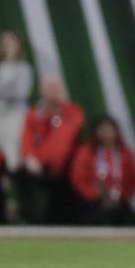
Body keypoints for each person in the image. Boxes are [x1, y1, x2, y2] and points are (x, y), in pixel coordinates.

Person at [16, 75, 84, 223]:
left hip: (64, 168)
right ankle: (27, 219)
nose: (53, 91)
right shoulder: (33, 115)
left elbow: (64, 140)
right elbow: (27, 139)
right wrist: (30, 158)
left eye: (56, 87)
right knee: (21, 171)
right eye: (49, 87)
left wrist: (62, 108)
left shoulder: (73, 112)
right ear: (41, 91)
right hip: (40, 167)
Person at [69, 115, 135, 225]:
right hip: (92, 204)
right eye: (102, 130)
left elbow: (132, 180)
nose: (106, 134)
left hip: (119, 203)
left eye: (110, 130)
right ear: (95, 132)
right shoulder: (86, 152)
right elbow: (78, 180)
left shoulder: (125, 154)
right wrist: (96, 196)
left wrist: (119, 196)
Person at [0, 30, 32, 179]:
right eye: (3, 41)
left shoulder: (24, 68)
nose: (7, 43)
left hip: (17, 116)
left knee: (16, 160)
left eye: (11, 40)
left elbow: (20, 93)